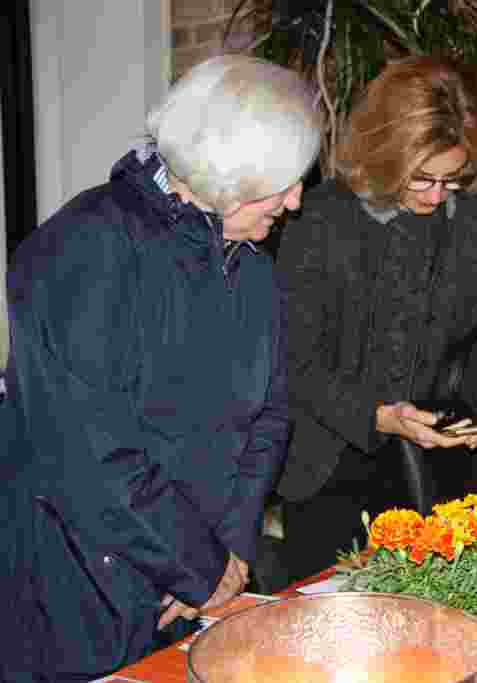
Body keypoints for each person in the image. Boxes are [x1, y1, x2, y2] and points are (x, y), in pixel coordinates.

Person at [0, 54, 321, 681]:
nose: (297, 199)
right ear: (229, 169)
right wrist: (196, 565)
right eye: (284, 179)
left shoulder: (249, 263)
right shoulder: (82, 247)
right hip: (75, 583)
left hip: (184, 580)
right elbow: (87, 451)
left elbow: (267, 418)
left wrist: (223, 554)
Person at [274, 55, 477, 585]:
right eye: (421, 178)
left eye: (450, 180)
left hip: (437, 470)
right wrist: (380, 415)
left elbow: (476, 335)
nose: (435, 195)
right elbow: (294, 361)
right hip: (328, 470)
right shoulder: (321, 220)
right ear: (386, 151)